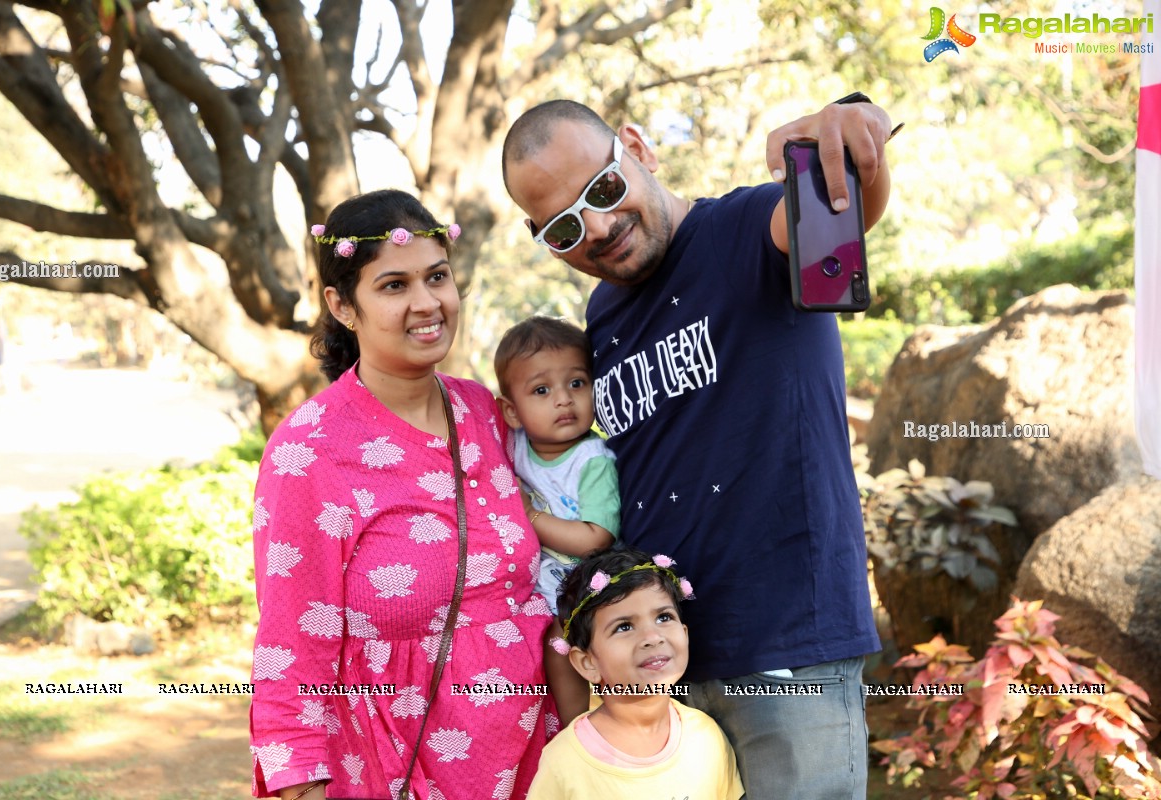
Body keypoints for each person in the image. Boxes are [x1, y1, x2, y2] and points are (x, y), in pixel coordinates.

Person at [501, 98, 895, 798]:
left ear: (637, 146)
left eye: (603, 189)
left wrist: (847, 133)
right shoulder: (603, 316)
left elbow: (841, 215)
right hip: (663, 666)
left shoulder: (746, 228)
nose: (597, 227)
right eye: (563, 227)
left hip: (787, 651)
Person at [248, 190, 557, 800]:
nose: (426, 303)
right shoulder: (309, 451)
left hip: (536, 765)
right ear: (342, 305)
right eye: (394, 286)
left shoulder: (487, 412)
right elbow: (290, 644)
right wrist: (299, 781)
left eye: (436, 277)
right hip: (392, 771)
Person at [525, 545, 744, 799]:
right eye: (624, 626)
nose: (652, 637)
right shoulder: (564, 762)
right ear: (588, 663)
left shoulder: (706, 737)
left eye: (663, 617)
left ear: (685, 634)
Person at [493, 316, 621, 725]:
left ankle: (575, 725)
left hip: (585, 579)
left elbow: (595, 538)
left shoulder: (592, 460)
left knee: (560, 642)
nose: (564, 400)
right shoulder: (514, 446)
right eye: (542, 390)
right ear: (512, 411)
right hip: (539, 582)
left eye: (577, 383)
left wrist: (530, 516)